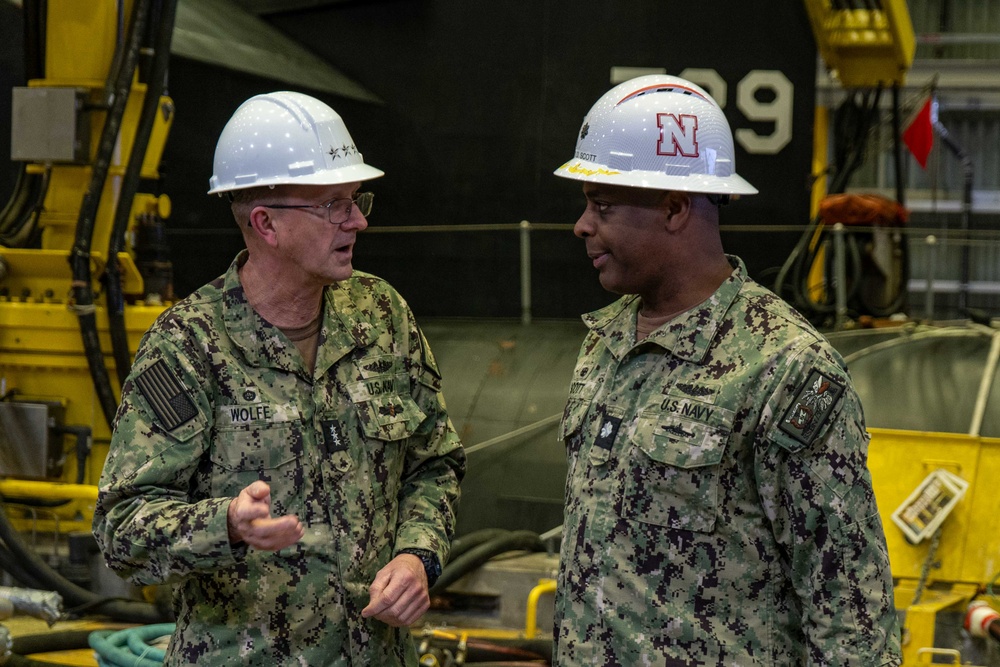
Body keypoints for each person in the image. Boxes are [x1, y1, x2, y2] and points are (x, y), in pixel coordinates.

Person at [92, 91, 466, 666]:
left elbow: (434, 462)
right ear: (266, 223)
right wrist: (227, 525)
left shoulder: (382, 315)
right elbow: (122, 529)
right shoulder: (190, 346)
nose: (358, 220)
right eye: (333, 205)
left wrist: (419, 555)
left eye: (356, 199)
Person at [550, 75, 901, 666]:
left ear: (676, 208)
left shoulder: (784, 369)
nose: (583, 225)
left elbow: (849, 607)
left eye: (602, 205)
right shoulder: (605, 341)